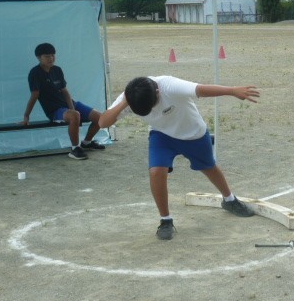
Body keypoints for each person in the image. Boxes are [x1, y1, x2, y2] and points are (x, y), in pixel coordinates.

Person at [98, 75, 260, 240]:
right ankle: (165, 220)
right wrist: (125, 103)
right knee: (156, 172)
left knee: (209, 167)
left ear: (157, 92)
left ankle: (230, 200)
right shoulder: (131, 97)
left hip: (193, 134)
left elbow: (200, 89)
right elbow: (103, 123)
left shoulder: (169, 85)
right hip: (162, 135)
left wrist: (232, 91)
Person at [22, 43, 105, 160]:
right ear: (39, 58)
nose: (51, 58)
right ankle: (75, 149)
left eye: (52, 55)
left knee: (100, 118)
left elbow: (65, 91)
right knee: (74, 115)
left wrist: (72, 108)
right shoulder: (35, 73)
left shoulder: (57, 70)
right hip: (55, 110)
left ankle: (86, 143)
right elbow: (34, 95)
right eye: (47, 56)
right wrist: (26, 116)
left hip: (70, 105)